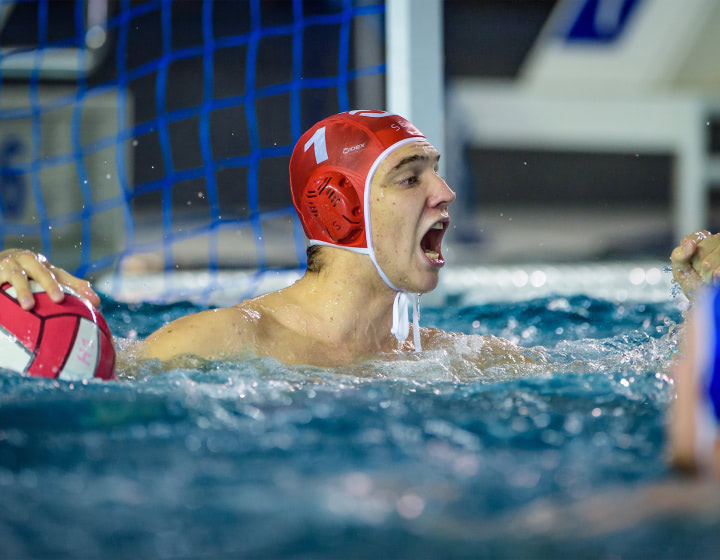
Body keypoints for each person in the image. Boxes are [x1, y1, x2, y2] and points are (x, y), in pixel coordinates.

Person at [0, 110, 715, 370]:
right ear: (338, 207)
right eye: (411, 178)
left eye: (436, 172)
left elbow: (653, 379)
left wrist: (707, 307)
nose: (446, 194)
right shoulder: (227, 340)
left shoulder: (453, 356)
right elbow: (93, 370)